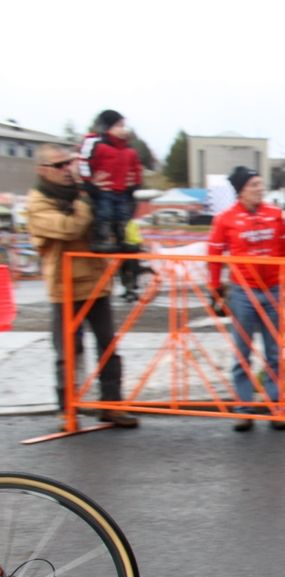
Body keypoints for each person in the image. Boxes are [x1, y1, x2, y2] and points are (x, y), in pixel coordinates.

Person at [28, 144, 138, 427]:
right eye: (59, 165)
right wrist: (88, 200)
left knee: (108, 346)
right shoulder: (38, 202)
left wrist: (117, 190)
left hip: (97, 285)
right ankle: (68, 410)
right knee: (68, 352)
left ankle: (111, 405)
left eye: (69, 163)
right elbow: (69, 227)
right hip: (64, 288)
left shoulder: (83, 195)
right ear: (42, 170)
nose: (67, 169)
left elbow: (111, 222)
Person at [208, 166, 285, 432]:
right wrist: (215, 290)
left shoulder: (275, 215)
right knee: (242, 352)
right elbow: (214, 256)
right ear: (242, 190)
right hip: (242, 292)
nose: (260, 189)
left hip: (272, 290)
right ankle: (244, 408)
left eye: (260, 184)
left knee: (274, 352)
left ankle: (276, 406)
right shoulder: (225, 219)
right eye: (254, 185)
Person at [78, 110, 142, 253]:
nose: (123, 129)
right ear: (108, 127)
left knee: (123, 216)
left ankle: (123, 239)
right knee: (104, 214)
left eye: (123, 126)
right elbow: (85, 163)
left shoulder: (128, 149)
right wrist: (89, 183)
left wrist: (135, 184)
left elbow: (136, 168)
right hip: (105, 190)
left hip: (122, 191)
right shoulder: (97, 145)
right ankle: (103, 239)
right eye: (119, 125)